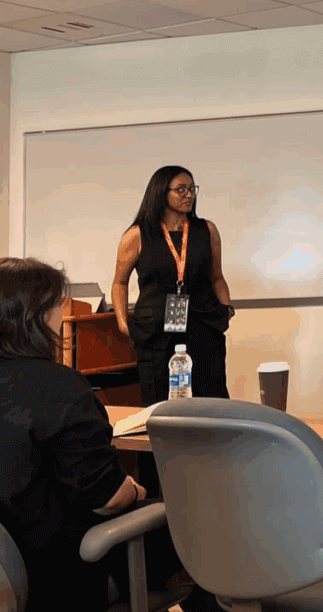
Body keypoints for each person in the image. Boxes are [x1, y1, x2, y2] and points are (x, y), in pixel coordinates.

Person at [0, 258, 207, 612]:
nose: (61, 315)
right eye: (56, 306)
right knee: (202, 523)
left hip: (11, 570)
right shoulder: (58, 387)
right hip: (62, 574)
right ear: (37, 317)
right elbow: (108, 498)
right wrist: (135, 489)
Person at [112, 165, 234, 405]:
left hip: (203, 325)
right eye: (181, 190)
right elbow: (119, 283)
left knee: (211, 398)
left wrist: (226, 308)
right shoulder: (137, 235)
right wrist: (123, 323)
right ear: (160, 192)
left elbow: (217, 277)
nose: (189, 195)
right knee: (160, 402)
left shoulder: (206, 230)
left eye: (191, 189)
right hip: (156, 330)